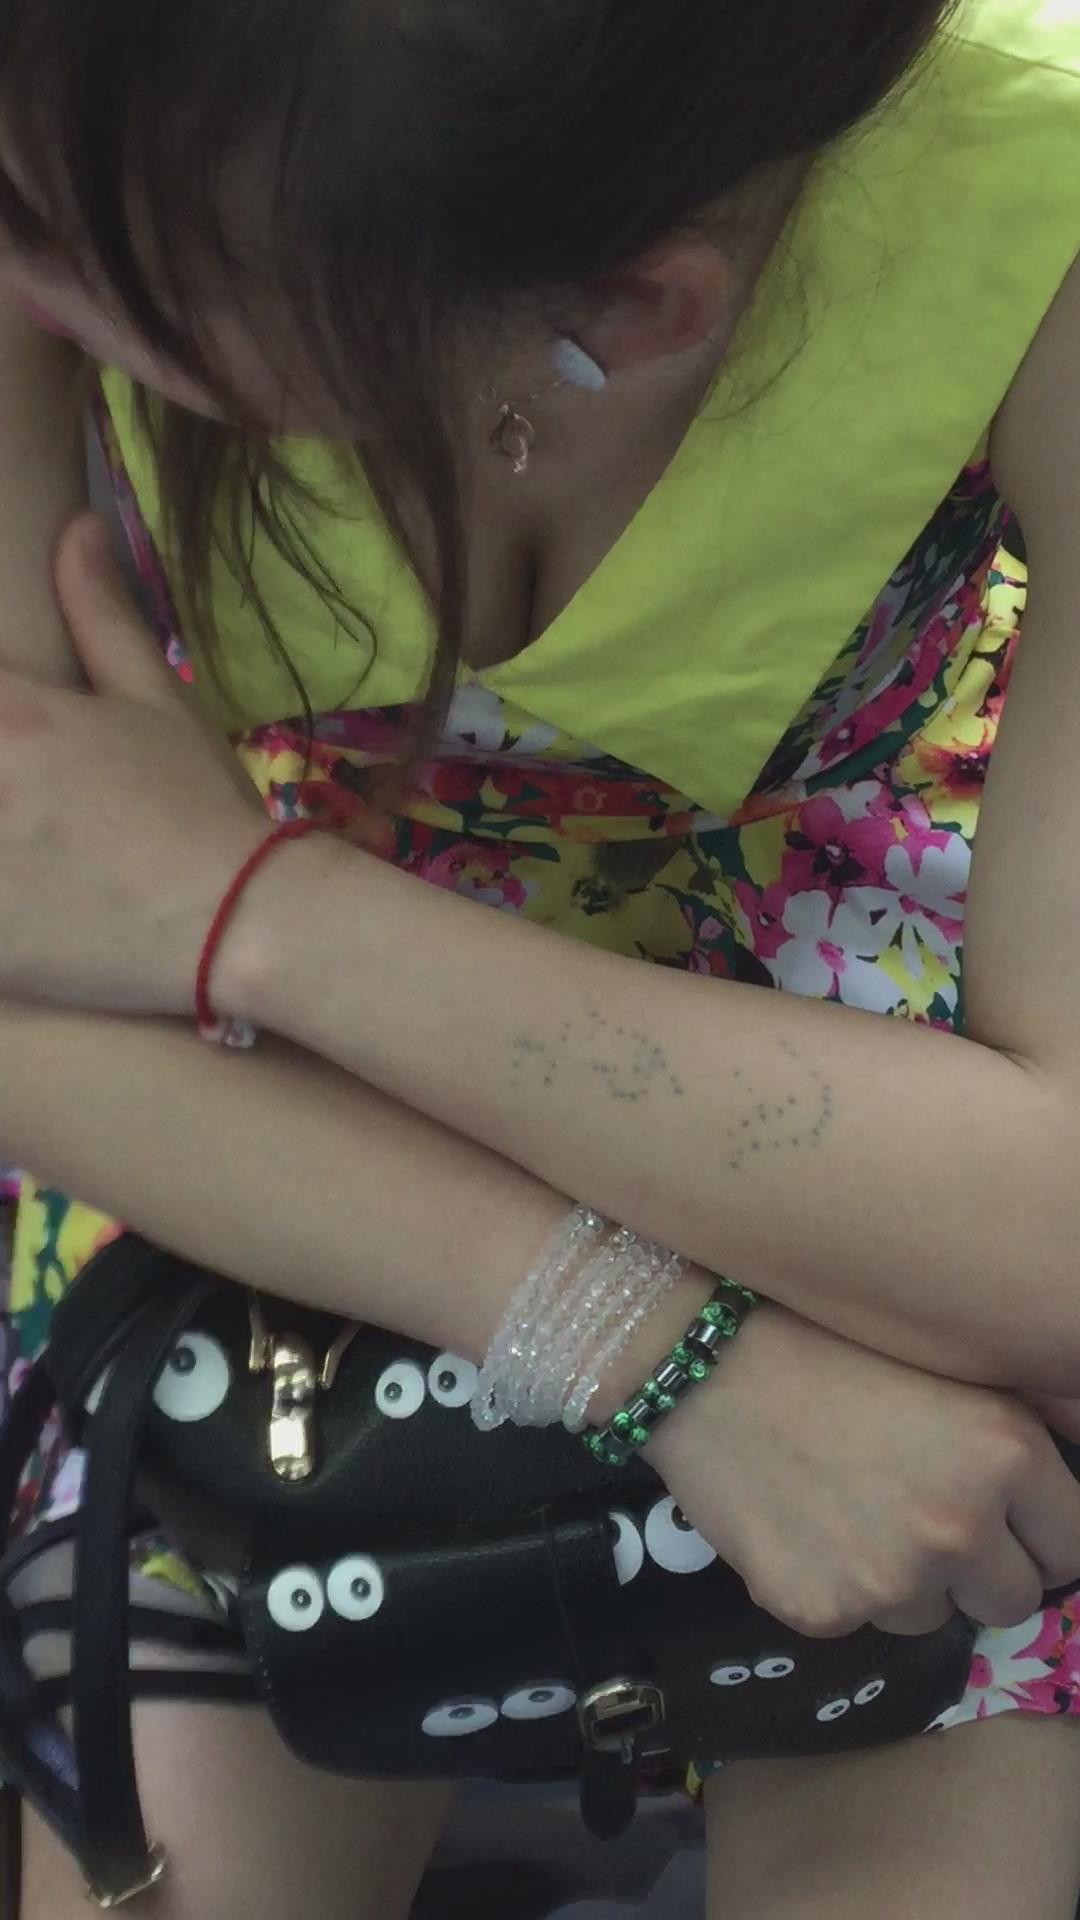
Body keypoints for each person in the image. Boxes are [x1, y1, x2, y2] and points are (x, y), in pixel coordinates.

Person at [2, 0, 1080, 1913]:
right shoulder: (81, 103)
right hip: (284, 1161)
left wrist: (247, 909)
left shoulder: (1034, 217)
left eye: (114, 279)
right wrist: (663, 1356)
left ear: (637, 307)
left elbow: (1054, 1241)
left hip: (857, 1161)